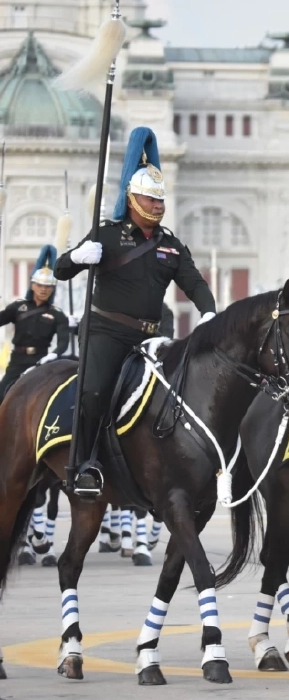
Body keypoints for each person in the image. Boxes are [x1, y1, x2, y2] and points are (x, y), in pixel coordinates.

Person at [56, 127, 216, 498]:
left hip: (149, 338)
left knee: (174, 396)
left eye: (161, 200)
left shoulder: (171, 246)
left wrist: (209, 313)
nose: (159, 206)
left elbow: (195, 284)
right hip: (106, 332)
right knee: (95, 393)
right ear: (132, 199)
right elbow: (63, 270)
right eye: (151, 199)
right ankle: (83, 464)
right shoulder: (108, 235)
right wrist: (79, 257)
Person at [0, 245, 70, 400]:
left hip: (41, 362)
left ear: (53, 289)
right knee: (2, 394)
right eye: (40, 285)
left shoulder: (57, 315)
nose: (43, 289)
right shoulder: (18, 307)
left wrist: (53, 355)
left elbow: (63, 342)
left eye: (48, 286)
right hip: (17, 362)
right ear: (32, 285)